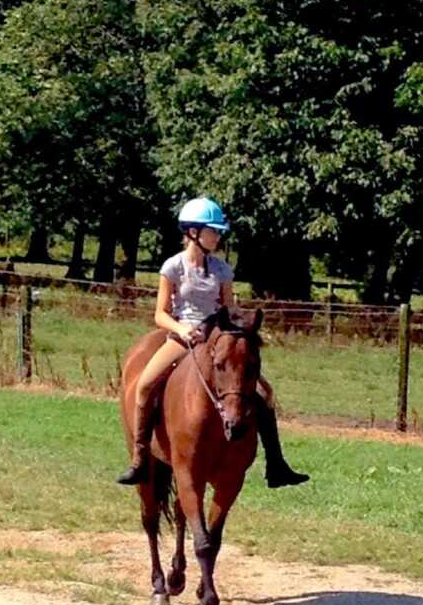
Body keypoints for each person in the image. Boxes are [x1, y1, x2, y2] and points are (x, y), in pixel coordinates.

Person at [117, 197, 309, 489]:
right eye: (213, 231)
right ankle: (140, 459)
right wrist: (182, 330)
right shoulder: (173, 267)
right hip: (182, 337)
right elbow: (160, 314)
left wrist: (239, 324)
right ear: (193, 232)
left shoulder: (222, 270)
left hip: (217, 337)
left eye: (218, 232)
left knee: (263, 393)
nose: (218, 236)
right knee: (144, 385)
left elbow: (228, 308)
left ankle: (276, 463)